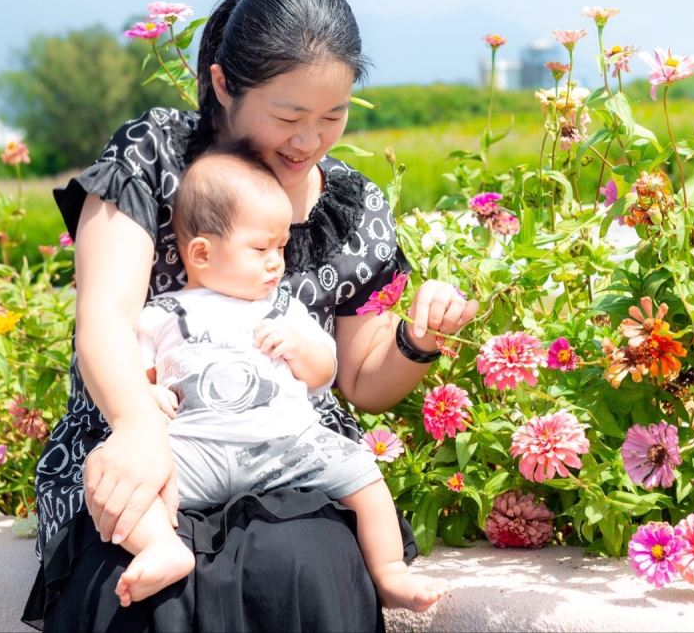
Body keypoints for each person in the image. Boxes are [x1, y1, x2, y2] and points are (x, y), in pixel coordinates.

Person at [23, 0, 477, 633]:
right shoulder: (154, 155)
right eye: (289, 116)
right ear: (222, 85)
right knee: (147, 598)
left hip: (288, 461)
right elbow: (106, 319)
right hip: (148, 448)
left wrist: (416, 338)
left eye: (333, 116)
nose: (310, 141)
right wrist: (140, 427)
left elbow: (360, 378)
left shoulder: (355, 205)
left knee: (305, 573)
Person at [115, 145, 449, 612]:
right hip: (196, 446)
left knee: (362, 474)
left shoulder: (283, 308)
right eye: (261, 248)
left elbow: (325, 372)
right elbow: (134, 373)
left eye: (280, 247)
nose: (277, 262)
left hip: (284, 445)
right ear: (201, 253)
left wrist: (300, 348)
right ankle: (159, 547)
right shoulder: (164, 313)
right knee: (118, 480)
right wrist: (148, 393)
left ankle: (390, 571)